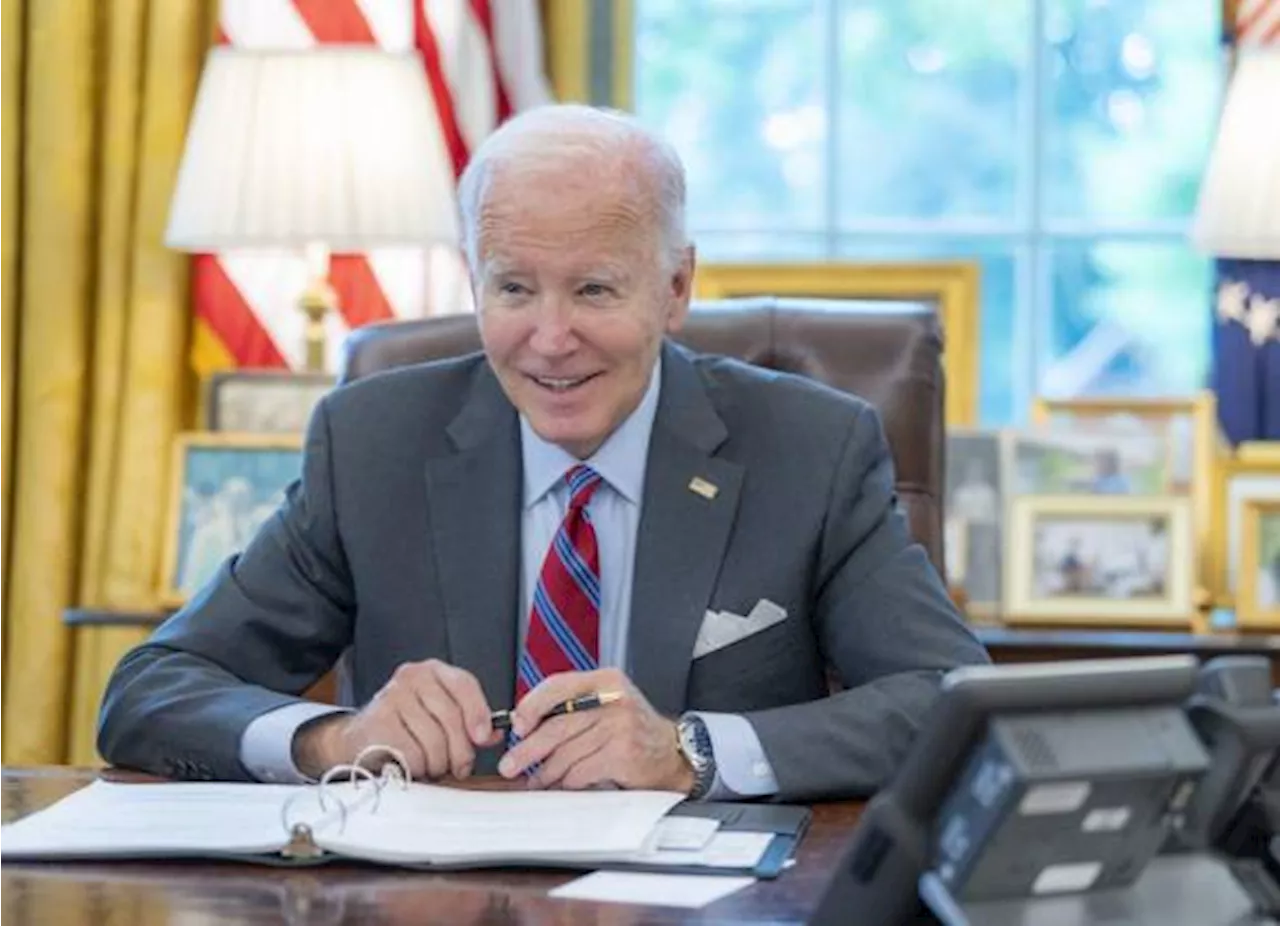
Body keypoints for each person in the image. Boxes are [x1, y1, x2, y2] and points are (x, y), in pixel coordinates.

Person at [98, 104, 989, 802]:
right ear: (472, 275)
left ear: (676, 287)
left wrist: (689, 750)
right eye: (514, 287)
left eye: (595, 288)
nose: (549, 339)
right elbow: (151, 691)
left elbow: (945, 699)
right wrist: (332, 737)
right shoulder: (373, 442)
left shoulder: (811, 449)